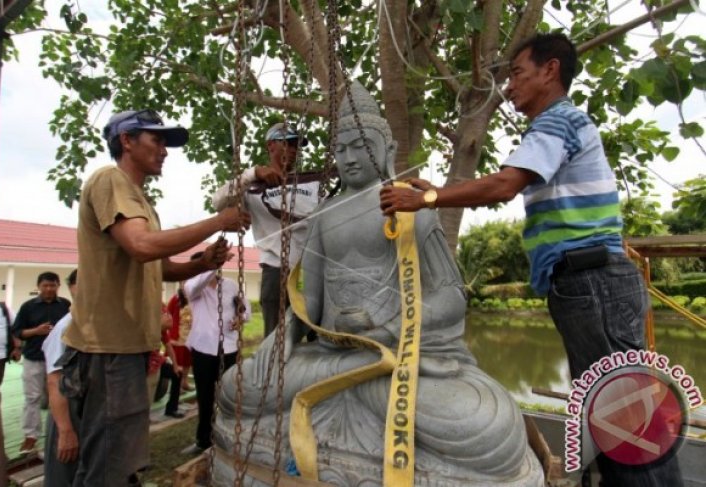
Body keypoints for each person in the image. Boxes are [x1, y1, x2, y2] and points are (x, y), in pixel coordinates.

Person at [380, 33, 683, 486]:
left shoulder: (557, 122)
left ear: (550, 70)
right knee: (612, 413)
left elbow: (504, 186)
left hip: (593, 282)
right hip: (585, 285)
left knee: (628, 418)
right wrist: (430, 193)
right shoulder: (554, 128)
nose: (509, 87)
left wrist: (425, 198)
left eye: (517, 74)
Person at [214, 82, 543, 486]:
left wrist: (389, 328)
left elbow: (450, 298)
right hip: (331, 356)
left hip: (398, 356)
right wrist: (280, 340)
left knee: (486, 423)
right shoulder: (324, 214)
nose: (349, 158)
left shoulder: (409, 205)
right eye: (341, 149)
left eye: (360, 146)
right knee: (237, 389)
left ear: (386, 150)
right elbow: (309, 301)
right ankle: (353, 390)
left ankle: (353, 399)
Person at [58, 108, 250, 486]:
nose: (164, 150)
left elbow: (158, 267)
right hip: (107, 349)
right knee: (108, 467)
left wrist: (202, 263)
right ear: (126, 140)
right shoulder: (109, 179)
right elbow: (143, 246)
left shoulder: (142, 203)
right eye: (156, 140)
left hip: (127, 349)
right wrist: (217, 221)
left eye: (166, 143)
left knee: (119, 458)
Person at [212, 122, 319, 337]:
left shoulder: (312, 183)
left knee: (318, 337)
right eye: (288, 143)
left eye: (296, 146)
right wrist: (252, 173)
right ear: (271, 146)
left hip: (314, 270)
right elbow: (218, 201)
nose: (293, 150)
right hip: (276, 269)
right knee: (277, 340)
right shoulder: (252, 186)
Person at [184, 251, 249, 452]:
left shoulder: (230, 285)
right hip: (203, 349)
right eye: (200, 267)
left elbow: (246, 310)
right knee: (206, 398)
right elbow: (197, 282)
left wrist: (241, 318)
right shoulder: (192, 287)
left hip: (229, 348)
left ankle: (233, 437)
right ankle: (203, 440)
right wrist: (211, 263)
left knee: (232, 394)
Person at [12, 271, 71, 454]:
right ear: (38, 286)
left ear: (58, 286)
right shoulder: (28, 307)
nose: (48, 289)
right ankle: (31, 436)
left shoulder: (65, 305)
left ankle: (59, 433)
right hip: (34, 357)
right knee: (32, 398)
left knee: (60, 397)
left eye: (52, 285)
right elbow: (18, 332)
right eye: (45, 285)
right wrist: (36, 331)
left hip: (59, 360)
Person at [42, 269, 79, 486]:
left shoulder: (97, 324)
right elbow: (54, 380)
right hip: (68, 412)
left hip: (89, 411)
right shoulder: (67, 327)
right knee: (64, 473)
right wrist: (65, 430)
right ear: (73, 289)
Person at [165, 287, 193, 391]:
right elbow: (168, 313)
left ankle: (184, 381)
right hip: (178, 334)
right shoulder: (175, 299)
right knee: (178, 360)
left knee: (187, 360)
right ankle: (176, 385)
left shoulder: (194, 297)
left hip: (190, 334)